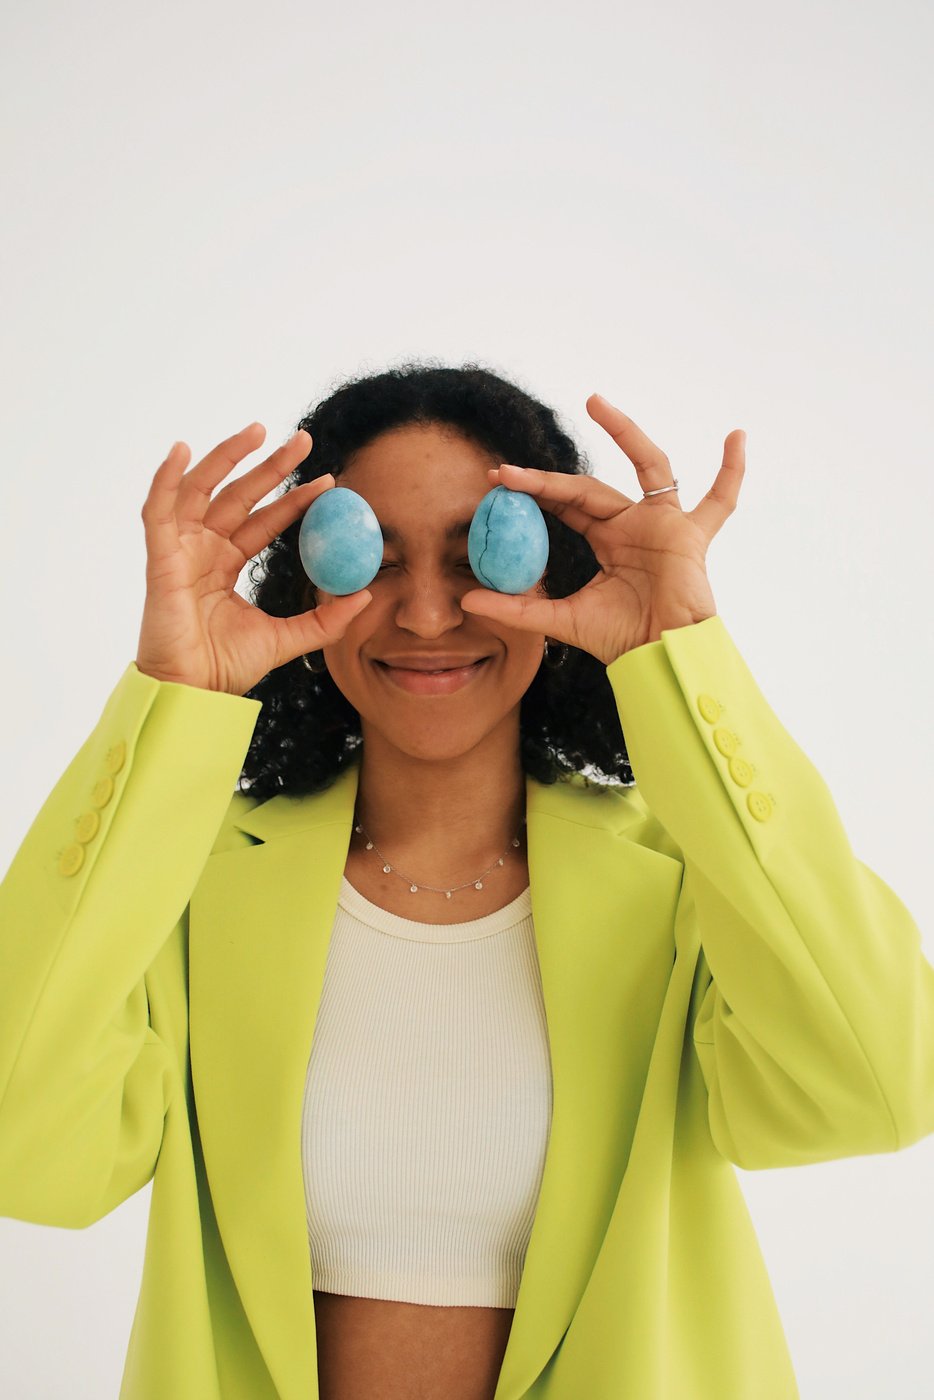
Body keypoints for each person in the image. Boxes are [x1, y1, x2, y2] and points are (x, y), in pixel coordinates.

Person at [1, 362, 932, 1400]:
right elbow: (22, 1150)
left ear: (557, 574)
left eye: (478, 551)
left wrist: (682, 657)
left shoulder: (679, 883)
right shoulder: (195, 883)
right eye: (372, 559)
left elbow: (878, 1089)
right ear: (307, 578)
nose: (431, 615)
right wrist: (172, 701)